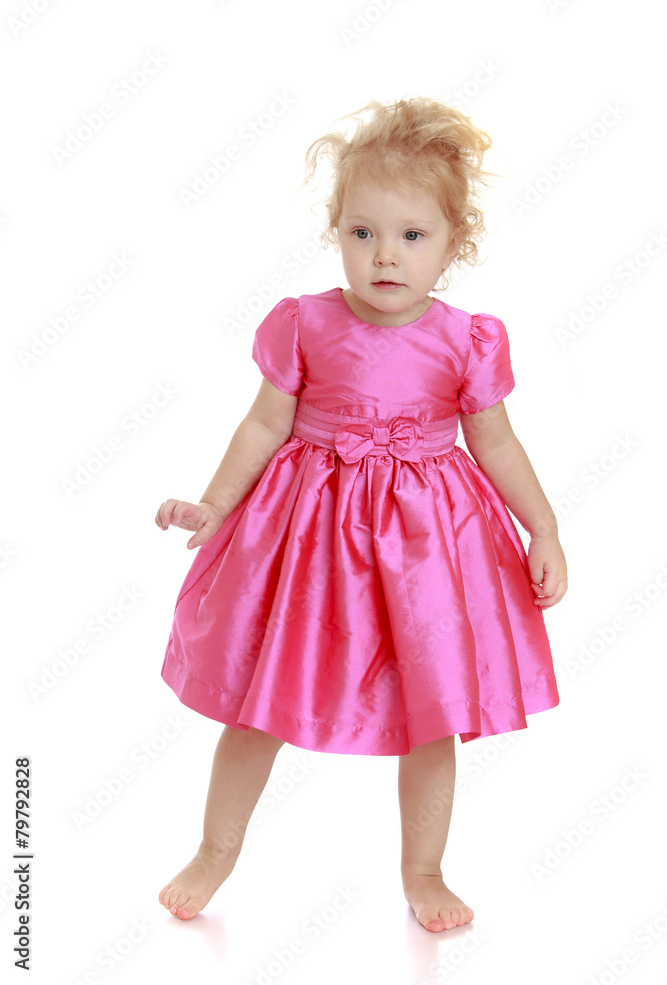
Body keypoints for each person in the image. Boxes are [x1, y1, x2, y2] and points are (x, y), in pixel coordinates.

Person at [155, 96, 567, 933]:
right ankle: (214, 850)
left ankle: (424, 869)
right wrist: (213, 502)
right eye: (362, 232)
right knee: (257, 700)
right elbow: (264, 424)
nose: (384, 256)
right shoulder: (305, 324)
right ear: (337, 231)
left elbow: (496, 445)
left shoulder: (466, 341)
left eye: (412, 236)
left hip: (426, 551)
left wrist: (544, 527)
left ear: (456, 243)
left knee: (433, 712)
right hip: (305, 542)